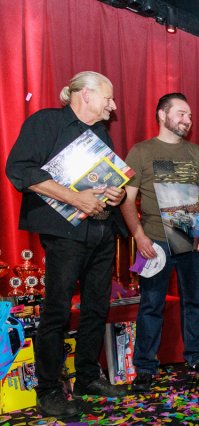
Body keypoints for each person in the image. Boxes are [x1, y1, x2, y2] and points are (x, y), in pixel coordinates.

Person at [5, 71, 127, 418]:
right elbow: (20, 170)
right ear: (85, 94)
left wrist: (116, 193)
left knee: (96, 307)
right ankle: (48, 390)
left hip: (101, 231)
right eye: (108, 98)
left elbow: (106, 181)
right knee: (57, 311)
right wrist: (75, 198)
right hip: (64, 234)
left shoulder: (101, 133)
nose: (113, 105)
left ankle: (87, 376)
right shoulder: (46, 122)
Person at [120, 93, 199, 391]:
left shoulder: (197, 153)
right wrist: (139, 236)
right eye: (181, 114)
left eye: (190, 116)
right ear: (162, 115)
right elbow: (126, 199)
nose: (188, 120)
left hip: (192, 240)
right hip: (155, 243)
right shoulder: (141, 151)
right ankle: (145, 367)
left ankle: (197, 359)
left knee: (194, 302)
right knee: (151, 304)